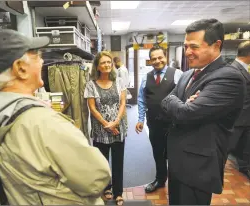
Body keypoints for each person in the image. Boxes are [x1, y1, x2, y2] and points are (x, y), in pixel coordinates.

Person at [0, 29, 111, 205]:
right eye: (36, 56)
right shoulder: (42, 122)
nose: (42, 61)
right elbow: (96, 178)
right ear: (20, 69)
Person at [161, 19, 246, 205]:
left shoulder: (228, 77)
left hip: (197, 168)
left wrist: (182, 106)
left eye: (194, 47)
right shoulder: (187, 74)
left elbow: (186, 114)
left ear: (217, 45)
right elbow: (165, 100)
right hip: (177, 160)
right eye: (186, 46)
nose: (188, 52)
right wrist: (182, 104)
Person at [135, 46, 183, 193]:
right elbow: (142, 99)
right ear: (150, 61)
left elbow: (184, 97)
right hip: (154, 123)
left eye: (159, 57)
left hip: (174, 124)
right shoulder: (146, 77)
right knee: (158, 152)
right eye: (153, 59)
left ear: (165, 57)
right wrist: (140, 119)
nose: (157, 61)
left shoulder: (177, 74)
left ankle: (178, 183)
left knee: (175, 154)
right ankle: (160, 180)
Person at [84, 51, 127, 205]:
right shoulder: (91, 84)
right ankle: (106, 188)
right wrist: (106, 124)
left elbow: (122, 103)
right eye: (103, 63)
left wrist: (115, 122)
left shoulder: (120, 81)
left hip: (118, 128)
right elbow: (92, 108)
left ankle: (118, 192)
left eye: (109, 62)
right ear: (97, 66)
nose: (107, 65)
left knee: (118, 161)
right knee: (102, 162)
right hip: (100, 130)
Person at [228, 41, 250, 180]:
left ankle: (244, 167)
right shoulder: (233, 70)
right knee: (226, 148)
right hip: (237, 118)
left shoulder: (244, 68)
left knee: (245, 147)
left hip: (245, 118)